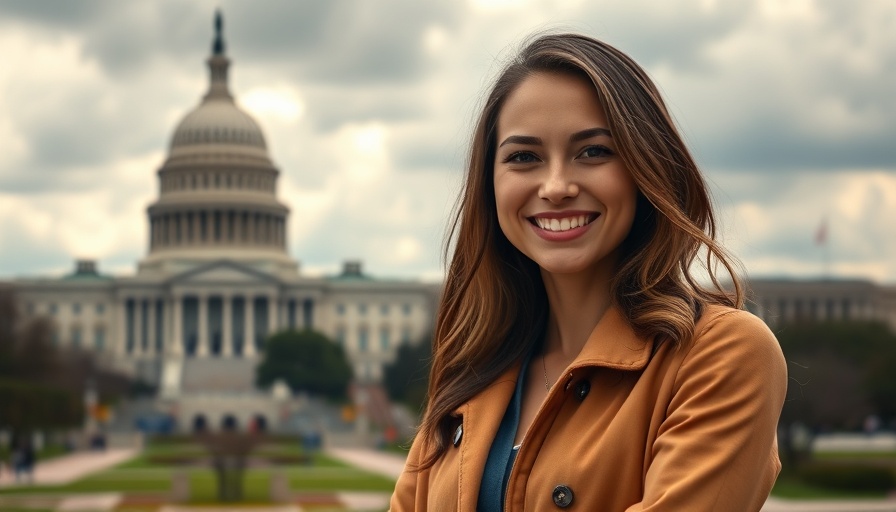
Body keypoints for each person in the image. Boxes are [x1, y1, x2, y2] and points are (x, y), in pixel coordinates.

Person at [389, 33, 787, 511]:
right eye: (524, 157)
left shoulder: (721, 354)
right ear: (489, 186)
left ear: (647, 167)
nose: (556, 186)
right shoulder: (472, 373)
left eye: (593, 151)